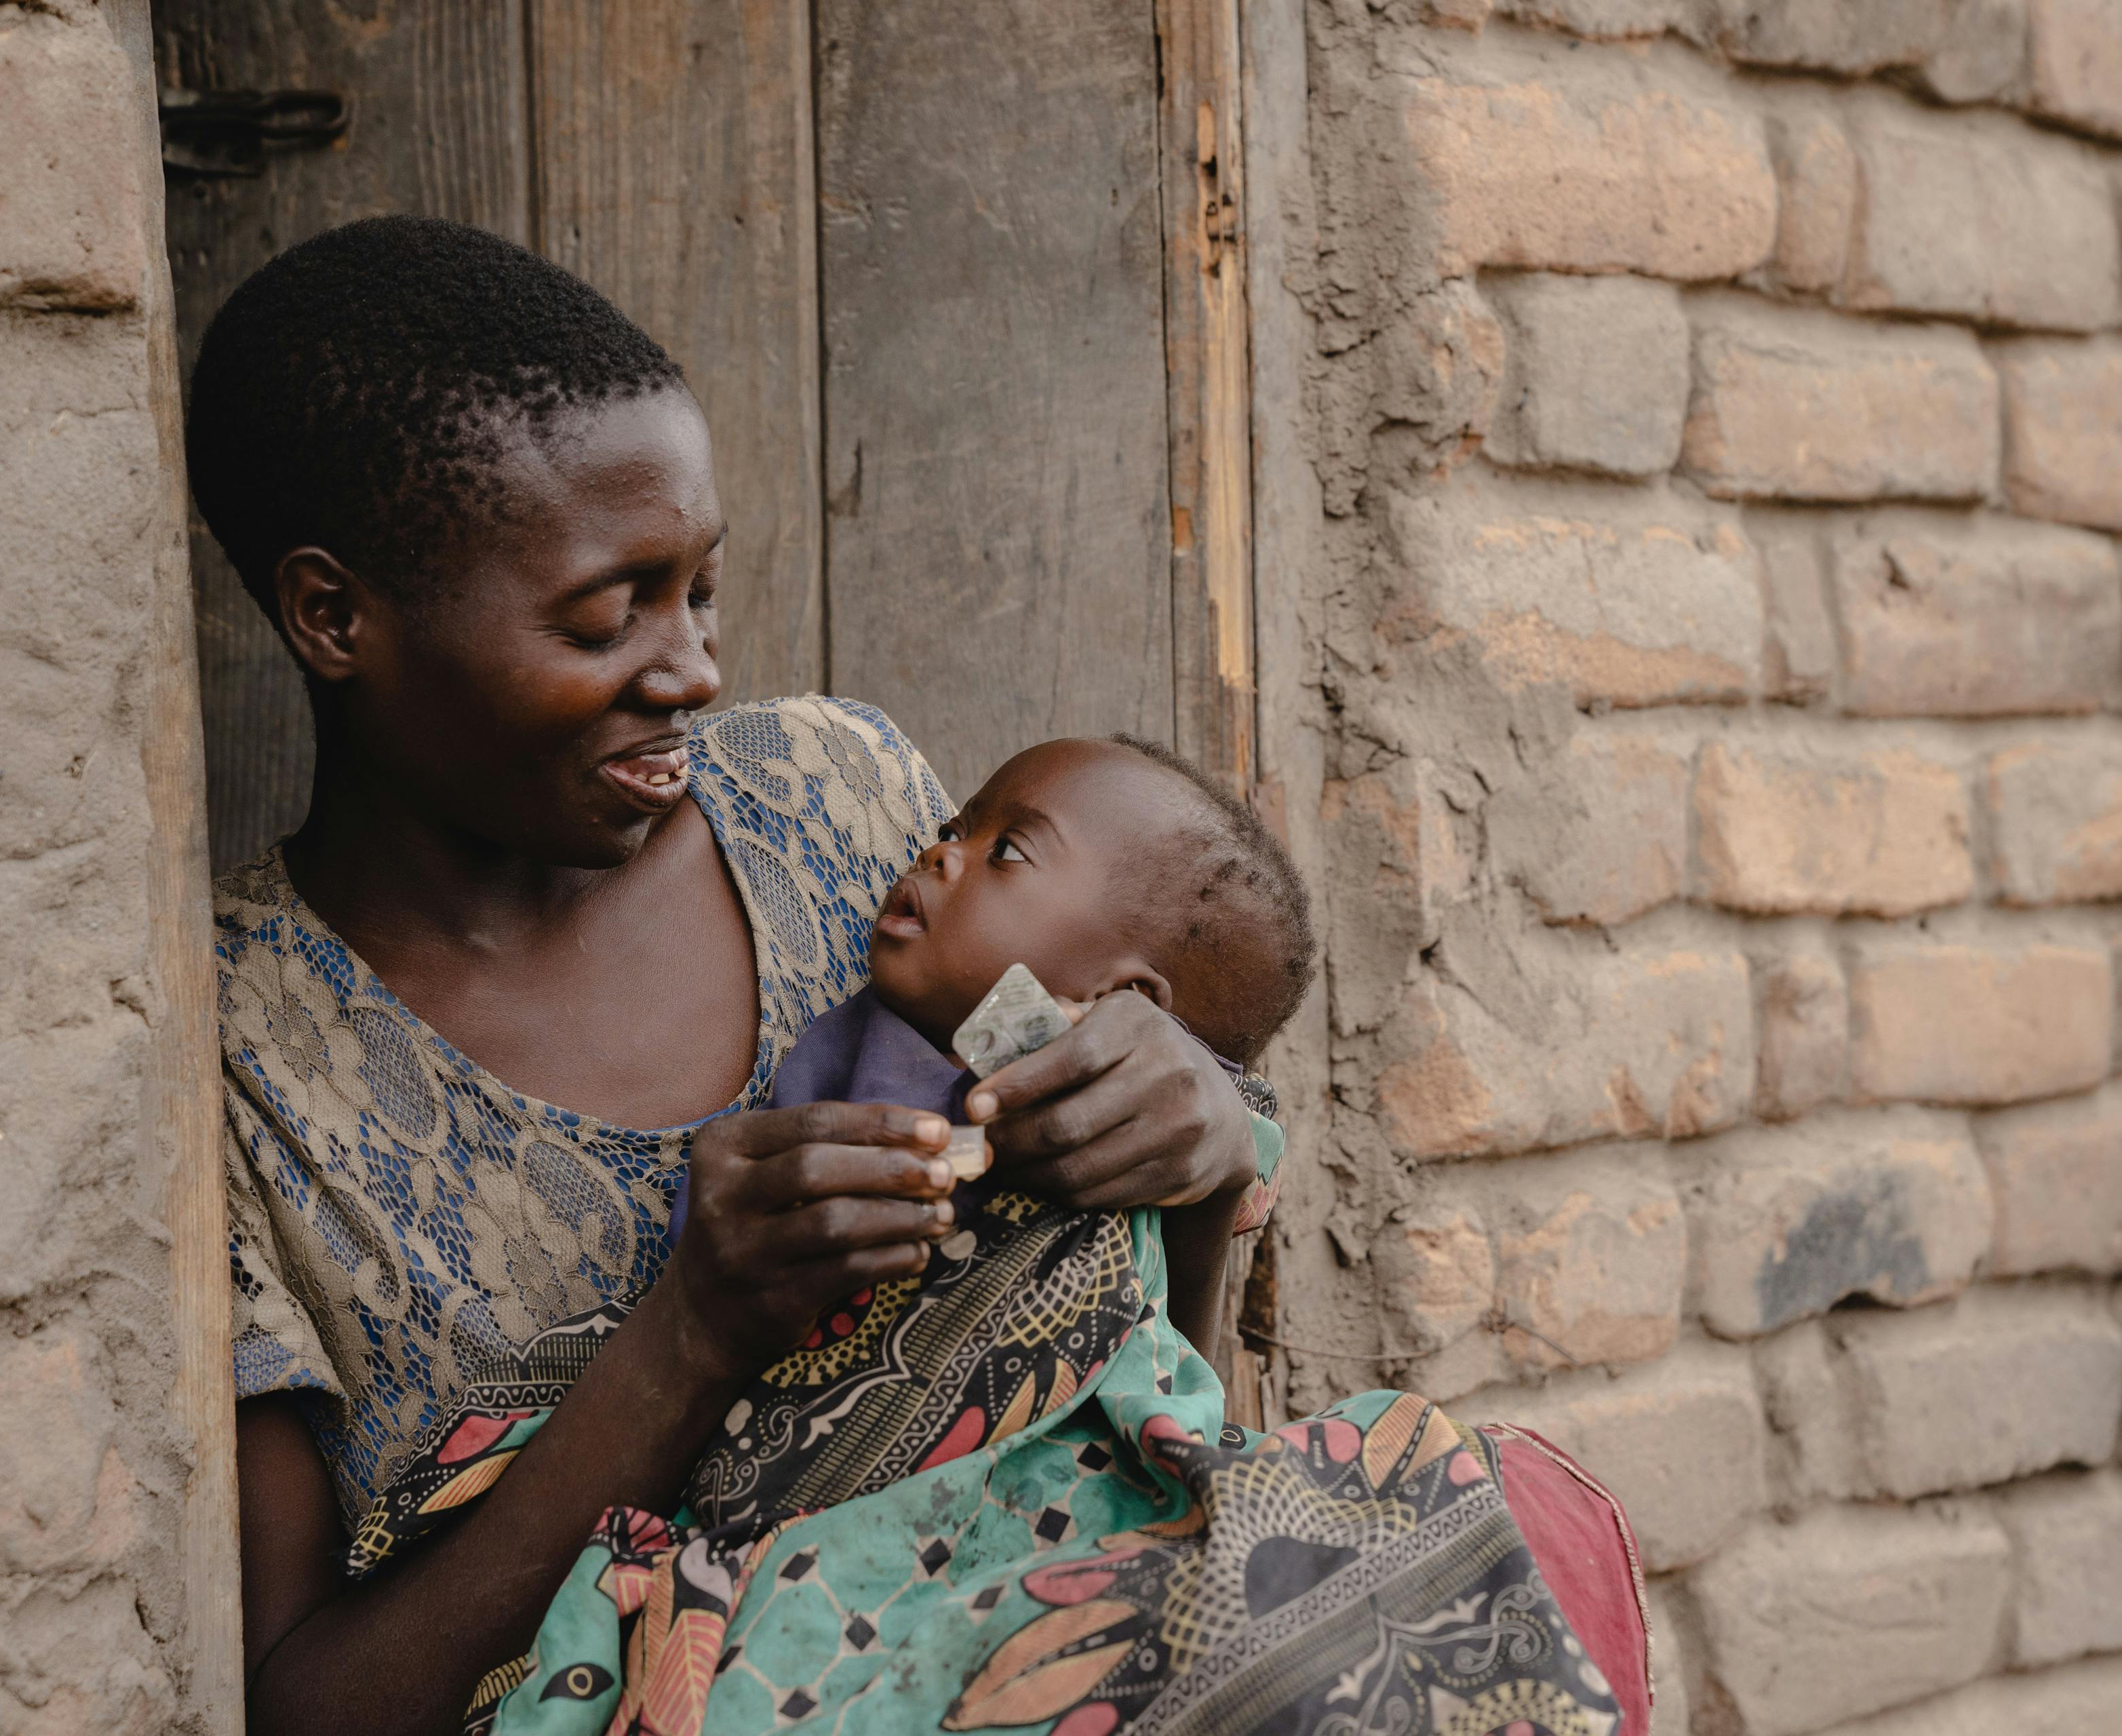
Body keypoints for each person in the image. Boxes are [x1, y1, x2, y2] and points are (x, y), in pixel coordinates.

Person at [193, 216, 1651, 1736]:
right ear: (334, 616)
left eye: (698, 589)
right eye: (604, 613)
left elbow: (1120, 1423)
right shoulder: (245, 1057)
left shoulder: (841, 797)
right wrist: (692, 1331)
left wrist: (1199, 1148)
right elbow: (309, 1705)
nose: (689, 665)